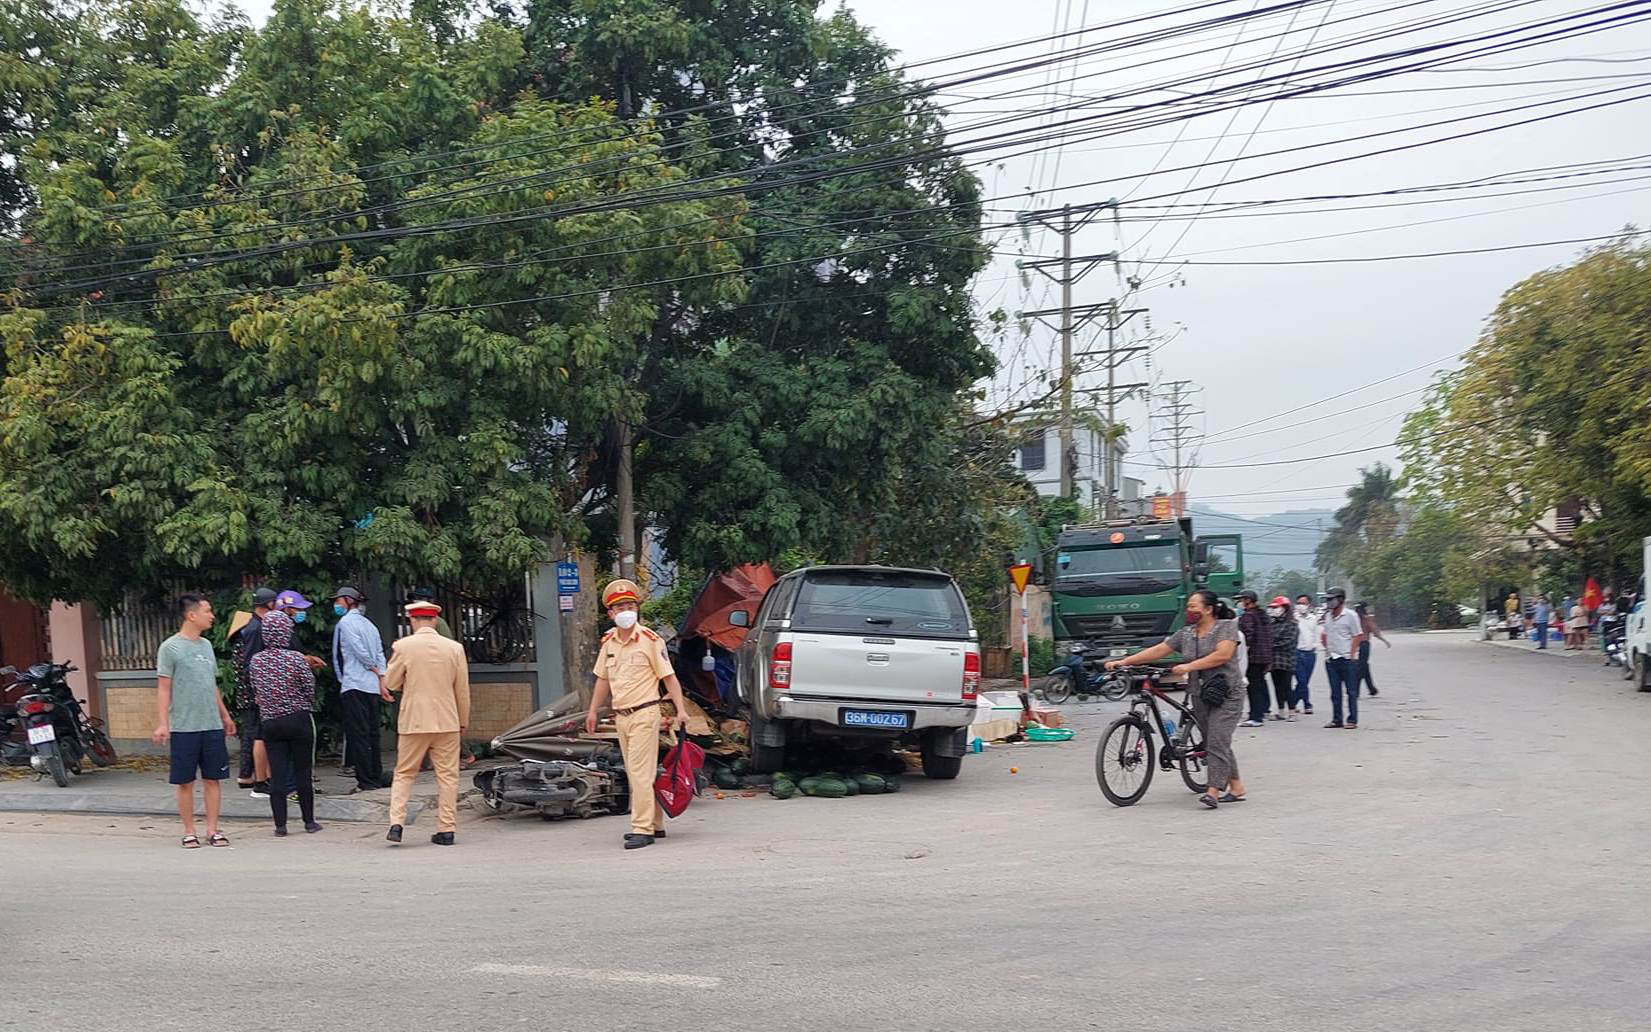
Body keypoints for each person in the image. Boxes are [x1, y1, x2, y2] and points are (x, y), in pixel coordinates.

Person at [1106, 589, 1246, 809]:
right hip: (1200, 693)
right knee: (1215, 740)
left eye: (1193, 606)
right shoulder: (1186, 634)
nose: (1189, 610)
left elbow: (1223, 654)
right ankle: (1236, 787)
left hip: (1228, 693)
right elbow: (1160, 650)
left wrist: (1189, 666)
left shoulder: (1226, 627)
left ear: (1208, 609)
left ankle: (1213, 791)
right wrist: (1125, 661)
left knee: (1217, 739)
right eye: (1188, 606)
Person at [584, 579, 690, 850]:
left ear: (637, 609)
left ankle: (642, 829)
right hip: (622, 716)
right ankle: (655, 823)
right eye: (620, 607)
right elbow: (602, 680)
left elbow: (669, 677)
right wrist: (593, 711)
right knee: (637, 772)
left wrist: (681, 710)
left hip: (645, 712)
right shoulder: (609, 643)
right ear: (611, 613)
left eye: (630, 605)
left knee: (640, 774)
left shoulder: (650, 641)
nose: (626, 610)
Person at [152, 593, 237, 849]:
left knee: (213, 779)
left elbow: (211, 685)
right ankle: (189, 831)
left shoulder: (206, 646)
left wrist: (225, 715)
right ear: (191, 615)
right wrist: (162, 722)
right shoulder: (170, 647)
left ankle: (213, 830)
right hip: (184, 727)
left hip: (210, 724)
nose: (211, 616)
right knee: (185, 782)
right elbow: (163, 688)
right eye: (207, 611)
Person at [384, 600, 471, 846]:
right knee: (447, 776)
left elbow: (391, 683)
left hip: (414, 721)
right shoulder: (454, 649)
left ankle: (397, 824)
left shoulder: (403, 646)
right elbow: (462, 690)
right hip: (447, 721)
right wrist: (462, 720)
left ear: (412, 620)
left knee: (404, 773)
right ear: (435, 620)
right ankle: (446, 829)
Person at [250, 611, 321, 836]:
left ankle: (280, 826)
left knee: (278, 773)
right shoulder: (296, 658)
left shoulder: (256, 661)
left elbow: (256, 690)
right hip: (298, 719)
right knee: (303, 771)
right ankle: (309, 822)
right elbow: (309, 686)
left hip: (271, 721)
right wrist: (303, 703)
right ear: (286, 633)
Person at [332, 586, 392, 792]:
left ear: (349, 601)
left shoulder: (346, 623)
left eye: (339, 601)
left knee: (359, 735)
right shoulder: (370, 625)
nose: (337, 605)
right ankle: (375, 774)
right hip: (372, 686)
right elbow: (380, 652)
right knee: (372, 734)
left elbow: (360, 651)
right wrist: (381, 678)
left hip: (354, 683)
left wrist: (372, 667)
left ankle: (366, 780)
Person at [232, 587, 277, 796]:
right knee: (256, 734)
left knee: (254, 732)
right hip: (253, 690)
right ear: (269, 604)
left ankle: (250, 775)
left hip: (251, 688)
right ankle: (253, 777)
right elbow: (252, 662)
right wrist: (259, 689)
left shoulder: (254, 625)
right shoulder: (256, 629)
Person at [1320, 587, 1364, 729]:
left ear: (1340, 599)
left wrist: (1351, 655)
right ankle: (1337, 719)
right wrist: (1327, 651)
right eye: (1327, 599)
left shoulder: (1350, 615)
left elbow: (1358, 635)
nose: (1329, 602)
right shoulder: (1328, 616)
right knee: (1335, 692)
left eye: (1331, 599)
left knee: (1351, 691)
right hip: (1332, 659)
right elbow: (1325, 634)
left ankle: (1352, 720)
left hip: (1346, 659)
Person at [1234, 589, 1273, 728]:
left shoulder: (1248, 616)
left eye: (1242, 599)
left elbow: (1247, 638)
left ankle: (1255, 717)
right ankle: (1261, 711)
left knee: (1253, 687)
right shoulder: (1262, 615)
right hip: (1264, 655)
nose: (1240, 602)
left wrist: (1243, 654)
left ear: (1248, 600)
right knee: (1260, 684)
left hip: (1253, 656)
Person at [1266, 596, 1298, 721]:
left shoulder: (1291, 624)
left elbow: (1289, 641)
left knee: (1286, 686)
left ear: (1285, 608)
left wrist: (1272, 645)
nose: (1274, 610)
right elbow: (1268, 638)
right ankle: (1281, 711)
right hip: (1274, 660)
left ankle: (1292, 711)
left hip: (1286, 660)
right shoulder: (1272, 623)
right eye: (1272, 607)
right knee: (1277, 685)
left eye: (1276, 607)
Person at [1354, 602, 1390, 696]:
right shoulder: (1367, 619)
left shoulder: (1354, 619)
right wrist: (1385, 641)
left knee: (1363, 666)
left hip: (1355, 644)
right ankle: (1356, 690)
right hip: (1364, 644)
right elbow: (1375, 631)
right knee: (1362, 668)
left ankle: (1371, 689)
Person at [1293, 594, 1319, 716]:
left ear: (1309, 605)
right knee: (1302, 680)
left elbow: (1315, 634)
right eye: (1298, 603)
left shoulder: (1313, 618)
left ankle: (1292, 702)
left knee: (1304, 681)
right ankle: (1307, 704)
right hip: (1297, 653)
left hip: (1310, 653)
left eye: (1303, 603)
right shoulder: (1293, 618)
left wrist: (1315, 646)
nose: (1300, 606)